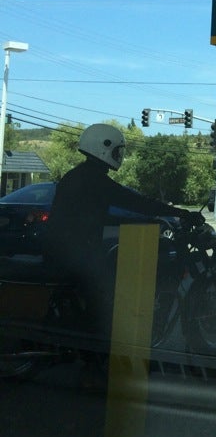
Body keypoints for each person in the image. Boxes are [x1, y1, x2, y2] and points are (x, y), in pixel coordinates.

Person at [42, 123, 202, 335]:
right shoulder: (94, 179)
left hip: (65, 251)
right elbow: (135, 202)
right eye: (117, 151)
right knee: (108, 299)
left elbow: (95, 217)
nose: (119, 156)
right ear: (104, 147)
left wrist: (145, 221)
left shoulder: (80, 175)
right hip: (74, 256)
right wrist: (181, 213)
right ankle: (98, 345)